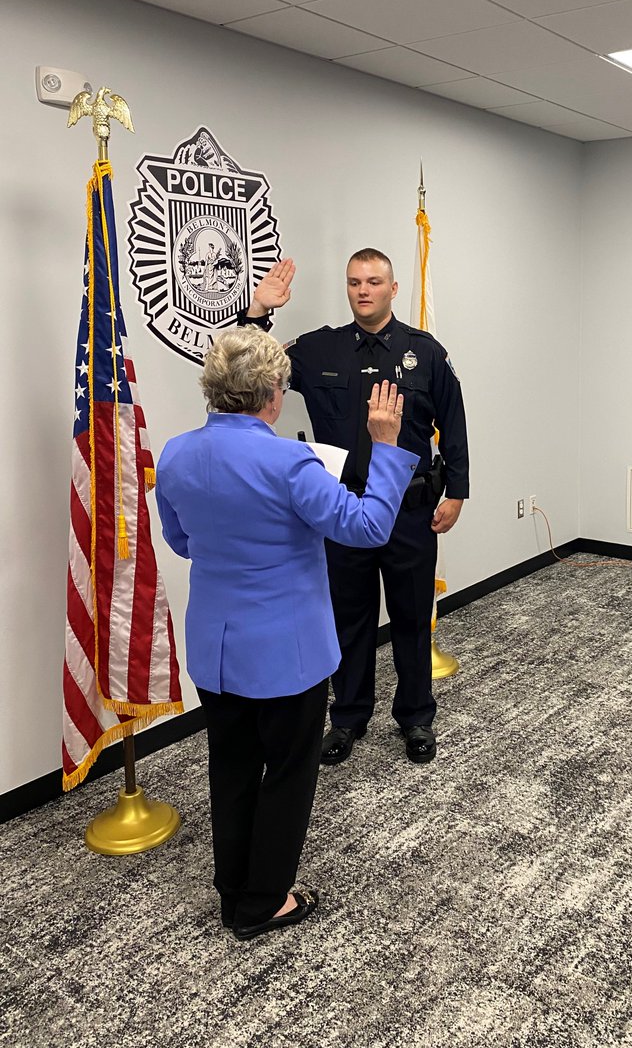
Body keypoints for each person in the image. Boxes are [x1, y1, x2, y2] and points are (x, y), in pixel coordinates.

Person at [155, 326, 417, 941]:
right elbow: (369, 525)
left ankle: (233, 891)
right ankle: (264, 901)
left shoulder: (175, 454)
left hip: (216, 649)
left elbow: (183, 541)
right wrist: (385, 444)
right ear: (274, 392)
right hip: (285, 653)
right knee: (290, 772)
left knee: (233, 767)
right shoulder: (288, 461)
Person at [238, 249, 469, 766]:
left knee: (411, 617)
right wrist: (257, 313)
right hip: (341, 508)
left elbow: (453, 423)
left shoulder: (424, 352)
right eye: (354, 282)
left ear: (392, 287)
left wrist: (456, 490)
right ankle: (347, 717)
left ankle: (415, 716)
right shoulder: (319, 348)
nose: (363, 290)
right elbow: (250, 372)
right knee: (349, 617)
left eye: (373, 281)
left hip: (409, 511)